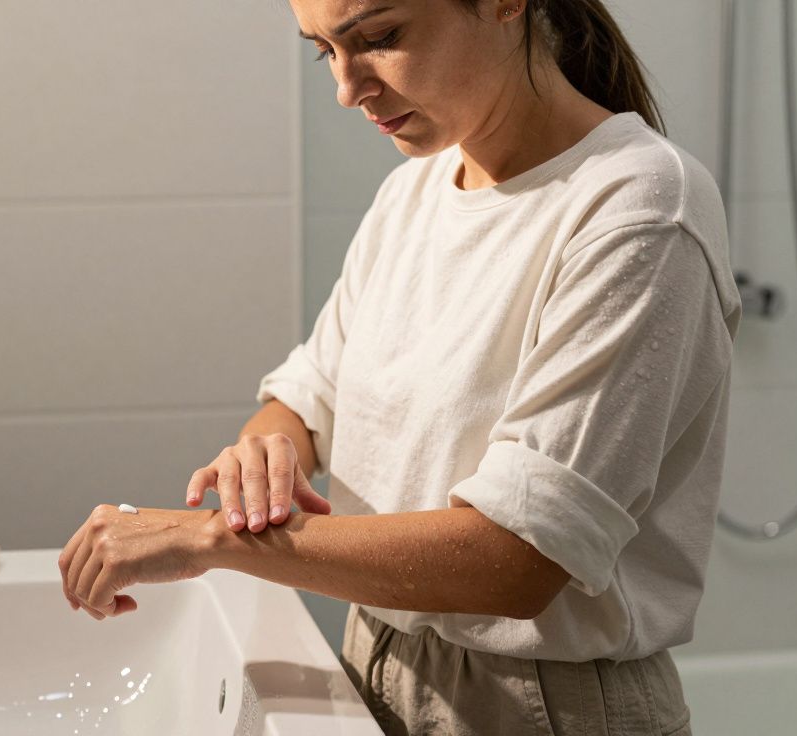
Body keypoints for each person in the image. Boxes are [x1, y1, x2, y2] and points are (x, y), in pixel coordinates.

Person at [59, 0, 740, 733]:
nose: (346, 90)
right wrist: (264, 456)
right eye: (325, 51)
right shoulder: (415, 189)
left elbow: (517, 560)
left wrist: (209, 538)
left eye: (380, 38)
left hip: (544, 706)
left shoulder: (639, 207)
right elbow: (309, 401)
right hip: (373, 655)